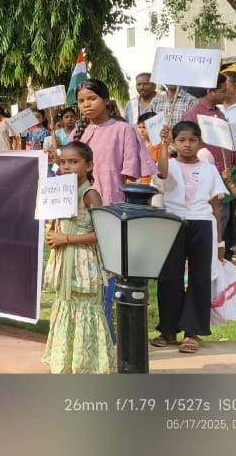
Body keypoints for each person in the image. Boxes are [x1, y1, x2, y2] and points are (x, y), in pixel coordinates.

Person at [70, 79, 156, 340]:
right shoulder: (78, 132)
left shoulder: (124, 130)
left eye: (92, 98)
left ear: (106, 100)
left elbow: (131, 177)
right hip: (78, 213)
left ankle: (106, 338)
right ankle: (84, 337)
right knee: (83, 279)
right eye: (82, 100)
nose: (86, 104)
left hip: (111, 213)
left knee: (107, 280)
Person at [151, 121, 229, 354]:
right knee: (169, 277)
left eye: (192, 140)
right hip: (173, 223)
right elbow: (162, 173)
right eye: (181, 140)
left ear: (200, 142)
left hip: (202, 224)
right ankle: (168, 330)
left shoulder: (208, 169)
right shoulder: (169, 164)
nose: (187, 145)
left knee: (200, 278)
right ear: (174, 142)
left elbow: (216, 207)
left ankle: (192, 331)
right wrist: (163, 145)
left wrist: (220, 241)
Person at [41, 141, 114, 374]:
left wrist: (66, 239)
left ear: (89, 165)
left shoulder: (90, 195)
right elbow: (55, 223)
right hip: (65, 260)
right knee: (65, 307)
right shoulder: (61, 190)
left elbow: (103, 234)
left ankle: (87, 365)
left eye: (74, 162)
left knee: (85, 311)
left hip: (84, 263)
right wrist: (53, 235)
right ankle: (66, 364)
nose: (67, 167)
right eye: (63, 162)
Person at [181, 76, 236, 261]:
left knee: (228, 227)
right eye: (223, 90)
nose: (226, 94)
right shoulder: (194, 114)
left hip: (228, 176)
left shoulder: (218, 112)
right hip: (209, 180)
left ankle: (224, 258)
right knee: (217, 223)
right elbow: (188, 149)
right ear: (210, 91)